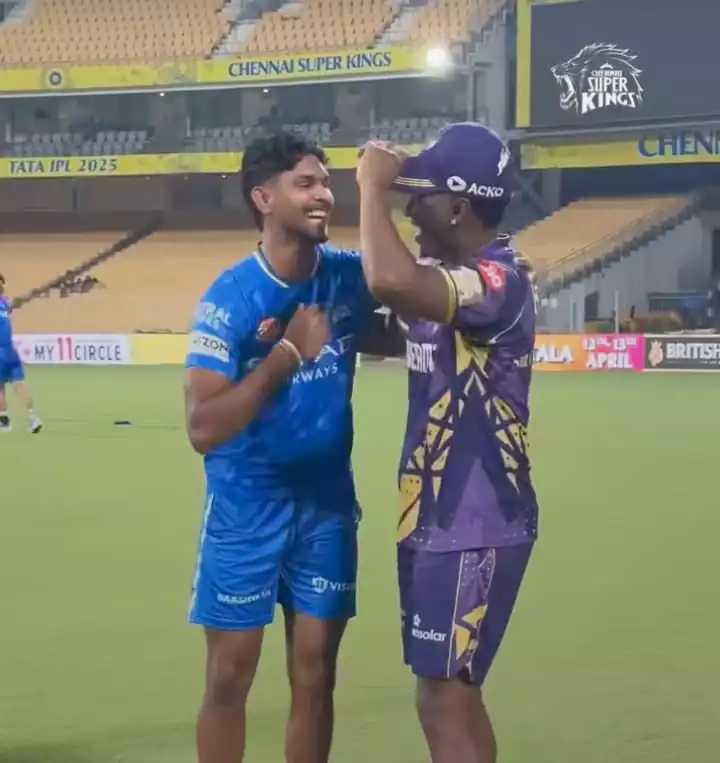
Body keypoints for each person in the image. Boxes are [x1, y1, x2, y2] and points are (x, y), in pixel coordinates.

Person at [184, 131, 376, 763]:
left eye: (326, 183)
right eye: (306, 184)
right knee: (229, 677)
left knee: (316, 675)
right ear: (264, 198)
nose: (324, 195)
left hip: (326, 507)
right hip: (247, 508)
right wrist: (286, 355)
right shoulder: (230, 298)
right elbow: (203, 427)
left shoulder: (348, 276)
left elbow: (410, 302)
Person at [356, 123, 538, 763]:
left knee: (447, 697)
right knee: (439, 693)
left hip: (475, 522)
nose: (409, 209)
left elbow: (390, 281)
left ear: (458, 208)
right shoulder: (448, 276)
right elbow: (387, 299)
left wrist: (371, 188)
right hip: (435, 519)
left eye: (422, 197)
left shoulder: (499, 282)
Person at [0, 273, 42, 434]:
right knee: (19, 385)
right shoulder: (4, 303)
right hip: (11, 350)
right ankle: (33, 417)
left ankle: (4, 421)